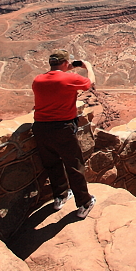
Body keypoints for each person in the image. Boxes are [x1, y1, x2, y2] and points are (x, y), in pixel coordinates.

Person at [31, 50, 97, 219]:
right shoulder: (69, 79)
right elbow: (90, 84)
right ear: (66, 63)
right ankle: (84, 203)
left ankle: (60, 197)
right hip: (62, 128)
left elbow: (55, 82)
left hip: (40, 128)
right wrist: (87, 66)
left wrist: (66, 68)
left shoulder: (37, 80)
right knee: (74, 165)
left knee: (52, 164)